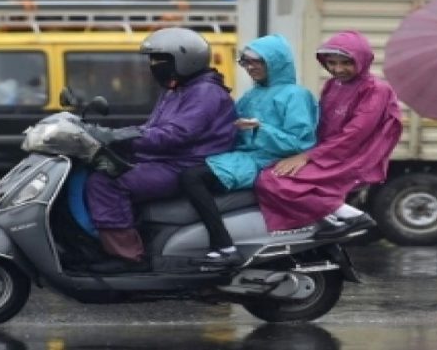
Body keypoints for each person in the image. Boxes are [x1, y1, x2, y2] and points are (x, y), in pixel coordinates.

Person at [84, 27, 238, 273]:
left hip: (181, 164)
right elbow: (152, 128)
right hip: (165, 159)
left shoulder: (204, 92)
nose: (154, 65)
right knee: (100, 165)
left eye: (160, 60)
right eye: (152, 60)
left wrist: (122, 138)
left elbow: (176, 135)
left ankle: (127, 257)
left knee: (107, 182)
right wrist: (110, 133)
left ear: (185, 59)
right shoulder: (177, 89)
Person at [180, 34, 318, 266]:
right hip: (243, 157)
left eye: (257, 62)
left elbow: (299, 143)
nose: (250, 67)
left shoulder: (296, 95)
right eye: (246, 62)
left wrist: (259, 128)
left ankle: (223, 244)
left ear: (276, 62)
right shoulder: (251, 94)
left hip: (265, 162)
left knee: (191, 177)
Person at [255, 30, 402, 237]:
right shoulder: (333, 84)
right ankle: (328, 220)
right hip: (326, 151)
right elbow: (321, 124)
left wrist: (307, 157)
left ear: (362, 60)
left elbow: (355, 134)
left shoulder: (376, 89)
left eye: (346, 63)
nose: (338, 69)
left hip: (350, 156)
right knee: (270, 172)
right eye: (332, 63)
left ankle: (352, 217)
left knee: (273, 179)